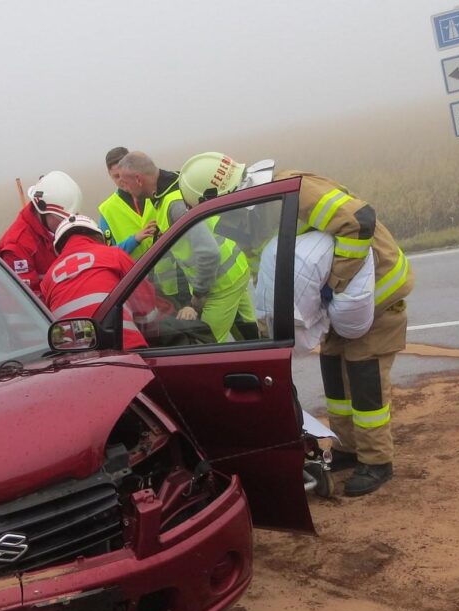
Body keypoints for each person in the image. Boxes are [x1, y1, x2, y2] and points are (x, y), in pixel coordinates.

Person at [179, 153, 410, 497]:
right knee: (334, 372)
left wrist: (335, 284)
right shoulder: (257, 207)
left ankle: (377, 461)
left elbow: (358, 221)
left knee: (364, 379)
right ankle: (349, 448)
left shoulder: (294, 190)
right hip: (337, 304)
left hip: (374, 295)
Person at [119, 151, 254, 343]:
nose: (124, 188)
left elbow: (209, 253)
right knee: (249, 335)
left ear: (138, 179)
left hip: (220, 283)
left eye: (125, 183)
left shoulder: (174, 204)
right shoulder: (171, 188)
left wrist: (196, 302)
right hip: (235, 268)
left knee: (206, 347)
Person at [41, 215, 150, 349]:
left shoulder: (48, 279)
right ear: (98, 236)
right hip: (125, 347)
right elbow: (147, 302)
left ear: (59, 246)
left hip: (75, 360)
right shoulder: (113, 254)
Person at [0, 170, 82, 293]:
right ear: (43, 211)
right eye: (62, 219)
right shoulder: (17, 247)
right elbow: (27, 303)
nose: (68, 224)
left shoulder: (56, 229)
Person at [98, 146, 159, 257]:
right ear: (109, 175)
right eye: (117, 176)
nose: (122, 180)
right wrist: (134, 240)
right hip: (137, 273)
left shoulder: (157, 192)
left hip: (174, 271)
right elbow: (107, 255)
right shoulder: (107, 210)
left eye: (124, 174)